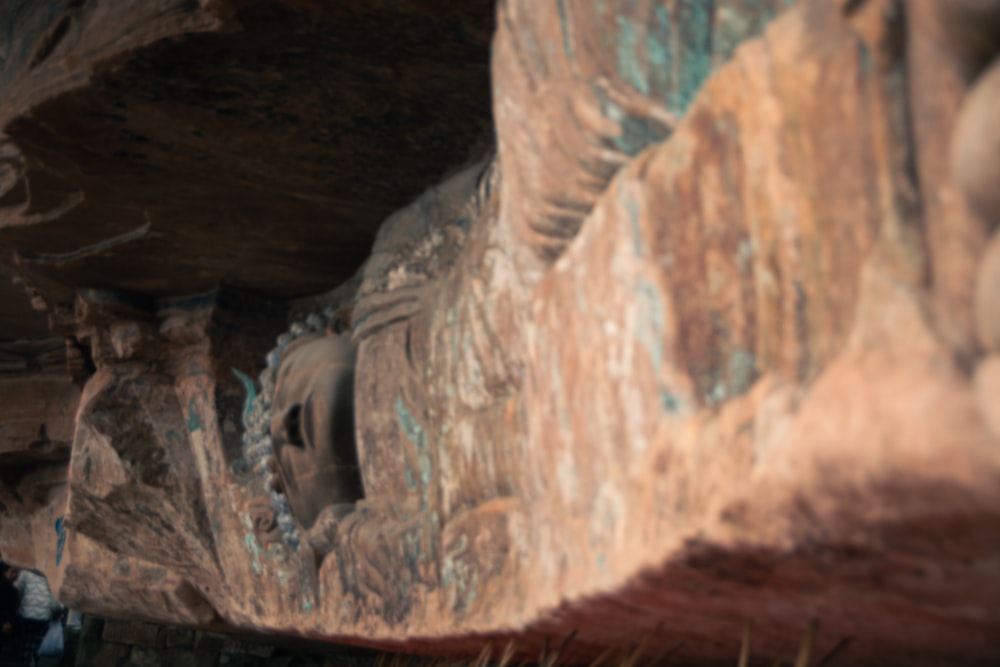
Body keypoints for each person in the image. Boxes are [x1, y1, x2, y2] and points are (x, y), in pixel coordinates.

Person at [6, 567, 62, 666]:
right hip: (44, 617)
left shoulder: (26, 573)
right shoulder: (51, 575)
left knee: (26, 643)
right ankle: (34, 660)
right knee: (38, 644)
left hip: (26, 615)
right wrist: (57, 612)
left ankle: (25, 661)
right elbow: (55, 597)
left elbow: (19, 591)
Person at [0, 562, 19, 662]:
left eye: (16, 573)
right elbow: (4, 605)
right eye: (12, 572)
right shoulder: (6, 587)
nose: (14, 575)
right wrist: (6, 621)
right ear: (4, 572)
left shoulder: (8, 586)